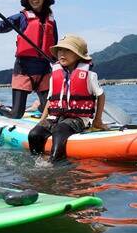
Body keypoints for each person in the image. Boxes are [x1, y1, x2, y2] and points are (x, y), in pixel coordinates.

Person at [0, 0, 58, 118]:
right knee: (16, 114)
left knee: (51, 112)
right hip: (24, 70)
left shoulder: (51, 21)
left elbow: (54, 47)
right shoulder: (21, 17)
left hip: (44, 71)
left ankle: (37, 106)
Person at [28, 34, 107, 162]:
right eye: (60, 50)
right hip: (55, 118)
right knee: (34, 134)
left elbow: (101, 96)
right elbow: (50, 100)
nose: (62, 54)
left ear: (78, 55)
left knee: (60, 129)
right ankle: (37, 162)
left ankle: (54, 164)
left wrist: (98, 121)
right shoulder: (55, 76)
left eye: (67, 50)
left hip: (78, 119)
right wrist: (42, 120)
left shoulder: (90, 75)